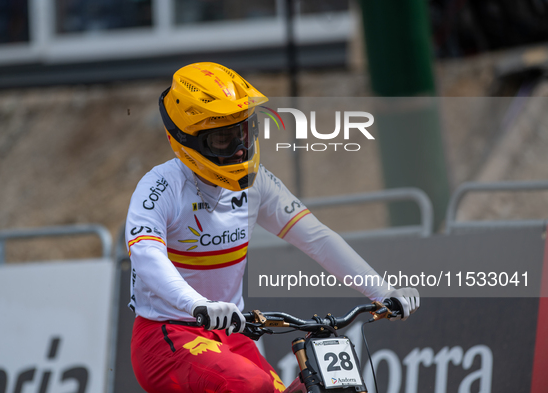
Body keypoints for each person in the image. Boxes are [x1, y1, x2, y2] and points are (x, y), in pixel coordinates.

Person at [126, 62, 420, 393]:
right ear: (186, 140)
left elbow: (317, 238)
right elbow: (145, 253)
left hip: (231, 331)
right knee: (253, 385)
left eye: (245, 131)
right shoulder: (161, 186)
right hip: (166, 334)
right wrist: (195, 303)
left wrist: (382, 291)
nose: (240, 147)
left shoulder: (258, 183)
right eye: (224, 138)